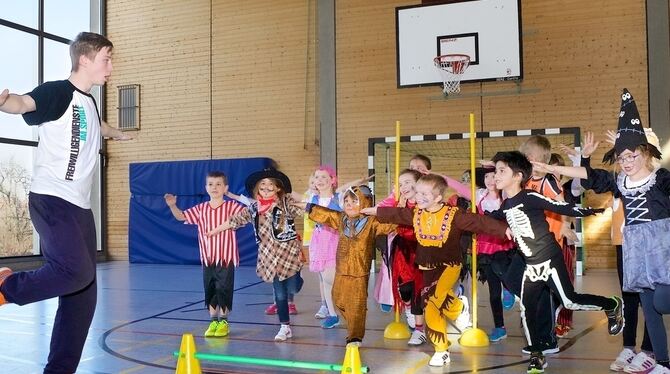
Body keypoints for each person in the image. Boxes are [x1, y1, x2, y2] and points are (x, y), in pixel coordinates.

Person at [0, 32, 131, 373]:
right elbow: (24, 103)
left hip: (79, 208)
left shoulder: (88, 100)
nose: (111, 68)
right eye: (107, 59)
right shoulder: (57, 92)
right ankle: (6, 286)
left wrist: (114, 132)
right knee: (74, 271)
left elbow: (92, 124)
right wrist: (5, 102)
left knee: (84, 296)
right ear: (84, 60)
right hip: (51, 199)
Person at [533, 89, 670, 374]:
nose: (626, 162)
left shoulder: (661, 179)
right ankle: (664, 363)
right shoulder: (620, 182)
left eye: (631, 155)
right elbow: (589, 176)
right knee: (651, 311)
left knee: (661, 301)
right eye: (621, 158)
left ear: (645, 153)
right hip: (636, 253)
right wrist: (548, 167)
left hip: (663, 250)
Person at [488, 150, 624, 374]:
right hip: (531, 265)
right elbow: (496, 216)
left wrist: (590, 211)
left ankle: (611, 304)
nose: (496, 175)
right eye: (495, 171)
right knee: (526, 309)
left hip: (549, 258)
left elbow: (560, 207)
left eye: (502, 171)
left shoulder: (529, 197)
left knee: (570, 301)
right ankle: (536, 354)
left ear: (518, 176)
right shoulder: (507, 204)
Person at [364, 174, 510, 367]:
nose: (420, 197)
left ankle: (441, 351)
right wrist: (372, 210)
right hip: (427, 268)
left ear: (438, 197)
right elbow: (395, 214)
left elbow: (479, 222)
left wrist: (504, 229)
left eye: (426, 194)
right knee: (435, 303)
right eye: (418, 192)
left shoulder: (454, 215)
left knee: (432, 304)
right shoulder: (416, 213)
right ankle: (458, 307)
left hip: (449, 266)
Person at [207, 168, 304, 342]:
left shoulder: (285, 203)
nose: (266, 187)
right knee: (280, 295)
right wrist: (214, 230)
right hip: (270, 259)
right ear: (257, 189)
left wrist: (290, 193)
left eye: (271, 185)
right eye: (263, 184)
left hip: (289, 256)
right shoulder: (253, 208)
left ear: (277, 189)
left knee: (293, 288)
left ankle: (298, 280)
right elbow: (233, 221)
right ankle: (285, 326)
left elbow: (303, 205)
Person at [298, 185, 397, 346]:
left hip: (359, 272)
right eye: (346, 201)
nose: (349, 204)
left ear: (365, 203)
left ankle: (355, 336)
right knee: (338, 300)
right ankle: (350, 322)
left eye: (354, 201)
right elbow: (322, 213)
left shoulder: (372, 222)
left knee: (357, 305)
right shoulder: (341, 219)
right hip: (342, 270)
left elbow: (393, 223)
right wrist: (303, 205)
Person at [440, 166, 517, 342]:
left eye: (495, 175)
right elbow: (458, 187)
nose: (491, 180)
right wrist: (440, 175)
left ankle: (509, 288)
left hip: (504, 244)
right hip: (485, 245)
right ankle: (500, 326)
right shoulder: (480, 195)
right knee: (493, 291)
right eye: (487, 177)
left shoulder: (506, 194)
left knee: (506, 275)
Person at [164, 171, 243, 338]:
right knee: (210, 289)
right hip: (207, 257)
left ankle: (224, 321)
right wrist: (172, 205)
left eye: (218, 184)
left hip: (225, 257)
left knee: (224, 288)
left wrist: (237, 198)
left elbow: (246, 215)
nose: (214, 187)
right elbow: (181, 216)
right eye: (211, 184)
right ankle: (213, 321)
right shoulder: (201, 209)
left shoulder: (232, 207)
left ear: (225, 188)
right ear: (206, 188)